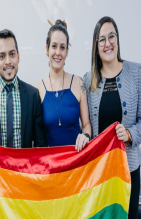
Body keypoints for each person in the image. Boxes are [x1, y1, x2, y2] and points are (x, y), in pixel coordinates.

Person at [83, 16, 141, 219]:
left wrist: (130, 134)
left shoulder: (137, 72)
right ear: (96, 46)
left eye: (111, 36)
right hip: (101, 173)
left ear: (118, 39)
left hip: (128, 170)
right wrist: (83, 136)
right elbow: (88, 129)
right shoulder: (88, 80)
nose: (107, 43)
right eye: (101, 39)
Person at [0, 29, 47, 161]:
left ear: (18, 56)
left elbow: (40, 146)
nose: (8, 61)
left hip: (24, 176)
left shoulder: (33, 95)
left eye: (12, 54)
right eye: (2, 56)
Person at [35, 20, 91, 150]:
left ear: (67, 51)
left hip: (77, 164)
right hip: (51, 166)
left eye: (62, 47)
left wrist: (86, 135)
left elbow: (86, 124)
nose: (58, 52)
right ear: (47, 49)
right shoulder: (37, 89)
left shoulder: (79, 83)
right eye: (54, 46)